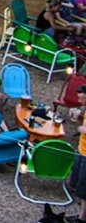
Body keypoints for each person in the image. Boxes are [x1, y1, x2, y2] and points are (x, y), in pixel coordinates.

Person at [68, 85, 86, 223]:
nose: (79, 101)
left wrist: (82, 129)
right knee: (76, 179)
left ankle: (81, 218)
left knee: (84, 188)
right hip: (81, 148)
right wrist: (78, 117)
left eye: (81, 98)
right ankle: (80, 203)